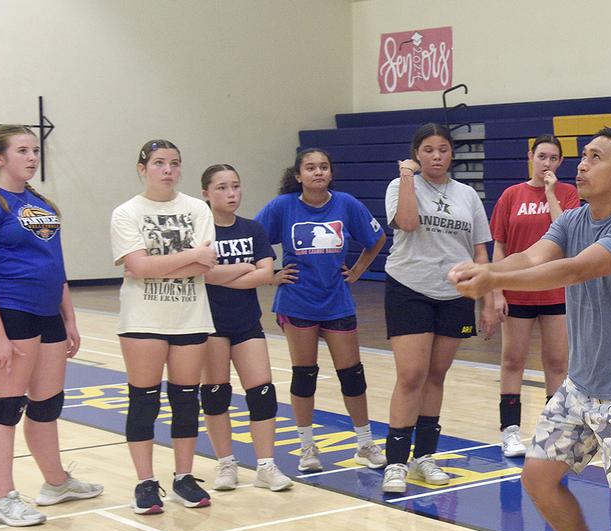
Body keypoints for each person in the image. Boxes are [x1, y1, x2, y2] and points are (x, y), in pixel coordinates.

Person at [450, 127, 611, 531]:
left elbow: (573, 271)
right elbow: (532, 258)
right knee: (538, 478)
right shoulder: (572, 219)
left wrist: (494, 280)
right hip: (582, 383)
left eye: (595, 157)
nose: (582, 165)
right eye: (583, 155)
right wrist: (490, 269)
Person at [0, 125, 103, 527]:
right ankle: (3, 500)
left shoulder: (41, 203)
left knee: (47, 402)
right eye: (22, 150)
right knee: (6, 404)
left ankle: (56, 482)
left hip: (47, 312)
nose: (32, 157)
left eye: (35, 150)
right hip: (7, 312)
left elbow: (54, 265)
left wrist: (69, 316)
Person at [381, 123, 498, 494]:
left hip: (456, 294)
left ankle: (424, 456)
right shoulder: (401, 186)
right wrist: (406, 176)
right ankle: (396, 461)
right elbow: (408, 222)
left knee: (436, 375)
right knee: (412, 374)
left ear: (452, 153)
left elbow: (481, 251)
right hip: (409, 288)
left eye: (443, 149)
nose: (436, 156)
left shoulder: (467, 195)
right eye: (428, 150)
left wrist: (487, 298)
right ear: (417, 153)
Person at [255, 148, 387, 473]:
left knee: (352, 375)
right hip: (297, 301)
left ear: (331, 172)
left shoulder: (346, 204)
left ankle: (365, 442)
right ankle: (306, 447)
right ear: (298, 175)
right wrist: (270, 275)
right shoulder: (283, 206)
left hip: (337, 300)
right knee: (304, 374)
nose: (318, 172)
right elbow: (255, 239)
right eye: (310, 168)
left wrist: (357, 271)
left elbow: (377, 238)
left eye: (323, 167)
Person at [110, 139, 216, 514]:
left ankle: (183, 477)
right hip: (142, 319)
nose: (167, 170)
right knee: (144, 401)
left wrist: (154, 263)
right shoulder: (126, 212)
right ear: (143, 168)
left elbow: (207, 266)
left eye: (174, 163)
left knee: (187, 401)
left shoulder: (197, 208)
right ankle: (145, 482)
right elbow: (139, 268)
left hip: (190, 316)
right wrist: (189, 257)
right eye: (159, 163)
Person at [199, 164, 293, 491]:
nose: (231, 194)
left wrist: (225, 273)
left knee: (263, 392)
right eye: (222, 187)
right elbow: (201, 274)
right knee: (215, 394)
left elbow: (267, 273)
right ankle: (226, 464)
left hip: (246, 322)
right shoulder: (201, 232)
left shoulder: (253, 229)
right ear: (206, 194)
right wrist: (244, 268)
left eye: (235, 186)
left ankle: (266, 466)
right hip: (210, 324)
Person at [489, 134, 579, 457]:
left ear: (561, 162)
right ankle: (510, 431)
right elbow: (499, 245)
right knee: (513, 360)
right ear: (530, 156)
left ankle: (554, 431)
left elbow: (565, 231)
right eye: (542, 156)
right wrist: (496, 290)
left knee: (557, 363)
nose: (547, 164)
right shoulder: (511, 195)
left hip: (555, 290)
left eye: (554, 158)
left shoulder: (569, 194)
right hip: (518, 292)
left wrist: (551, 192)